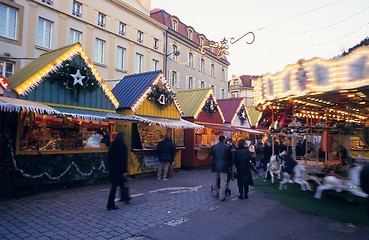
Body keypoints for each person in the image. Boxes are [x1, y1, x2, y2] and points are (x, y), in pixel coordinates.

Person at [106, 131, 129, 210]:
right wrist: (124, 171)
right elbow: (123, 159)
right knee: (118, 185)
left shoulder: (112, 146)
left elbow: (109, 158)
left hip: (113, 169)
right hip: (120, 169)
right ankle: (113, 203)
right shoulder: (123, 146)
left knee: (116, 185)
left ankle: (123, 198)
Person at [211, 135, 233, 201]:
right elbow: (230, 158)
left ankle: (215, 193)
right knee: (223, 181)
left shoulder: (214, 147)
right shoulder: (227, 147)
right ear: (224, 140)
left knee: (215, 180)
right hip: (224, 166)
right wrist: (230, 166)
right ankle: (221, 196)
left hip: (215, 166)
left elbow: (211, 155)